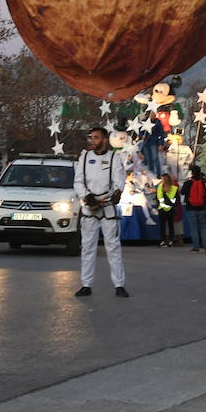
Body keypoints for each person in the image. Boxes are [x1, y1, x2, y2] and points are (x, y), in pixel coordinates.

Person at [74, 126, 128, 297]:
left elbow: (119, 179)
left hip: (107, 207)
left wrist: (117, 192)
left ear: (104, 139)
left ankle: (119, 285)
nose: (92, 140)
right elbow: (78, 181)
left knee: (113, 247)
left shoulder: (114, 158)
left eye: (96, 137)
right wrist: (87, 197)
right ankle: (86, 284)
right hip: (90, 206)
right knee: (87, 248)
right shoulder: (84, 158)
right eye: (91, 137)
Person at [181, 166, 206, 253]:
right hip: (202, 208)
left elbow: (182, 192)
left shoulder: (188, 183)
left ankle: (196, 246)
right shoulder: (204, 183)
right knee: (203, 228)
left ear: (192, 173)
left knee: (194, 228)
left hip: (190, 208)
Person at [155, 172, 179, 247]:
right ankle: (171, 240)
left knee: (162, 226)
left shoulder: (159, 188)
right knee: (170, 225)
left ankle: (163, 240)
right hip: (171, 209)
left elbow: (158, 198)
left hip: (162, 208)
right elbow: (177, 199)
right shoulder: (174, 188)